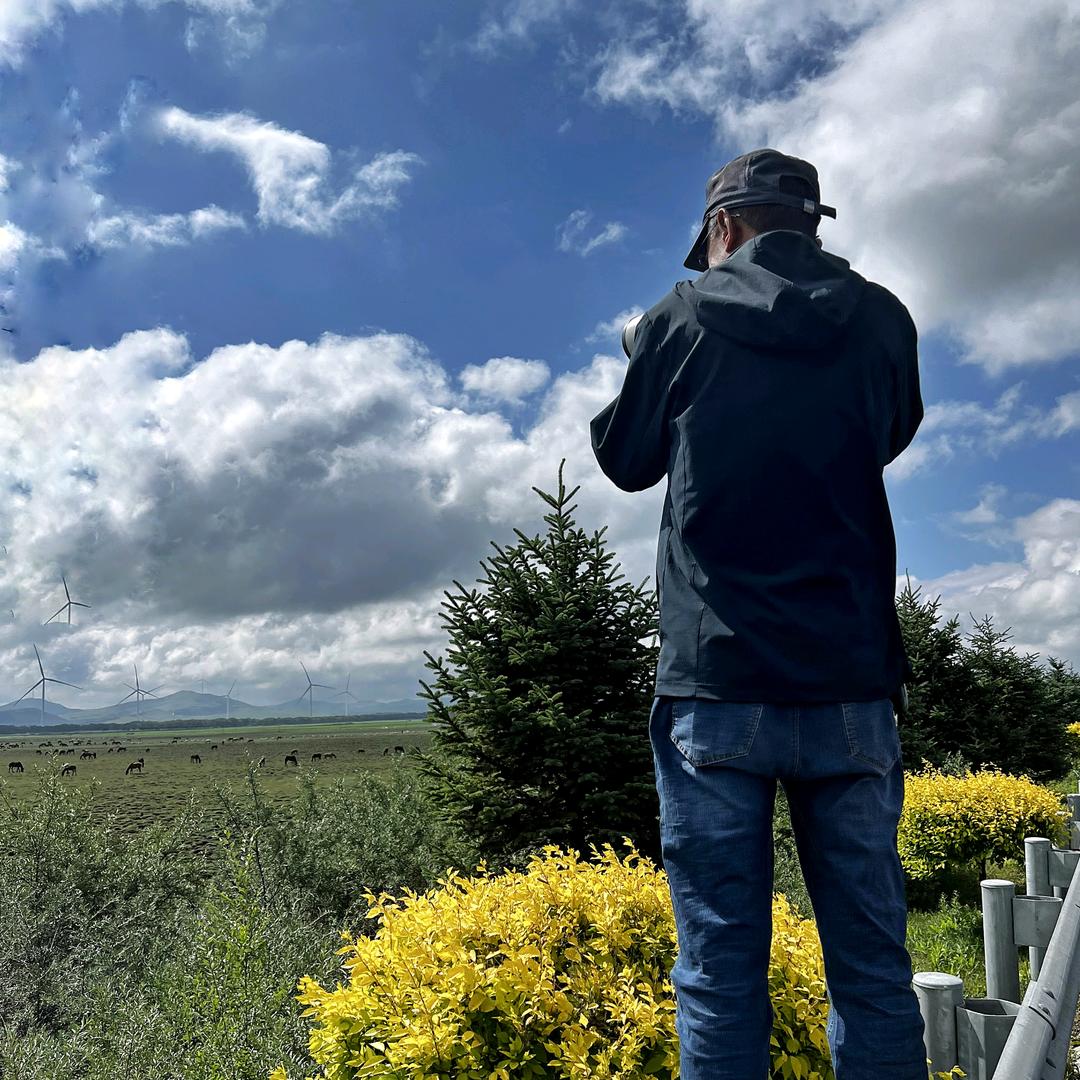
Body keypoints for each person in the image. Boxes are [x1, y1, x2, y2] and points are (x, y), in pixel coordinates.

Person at [589, 148, 928, 1079]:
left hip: (718, 685)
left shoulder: (678, 319)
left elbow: (625, 460)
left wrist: (643, 353)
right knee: (871, 968)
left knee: (718, 971)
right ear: (812, 226)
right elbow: (890, 429)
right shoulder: (885, 321)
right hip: (852, 684)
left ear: (723, 229)